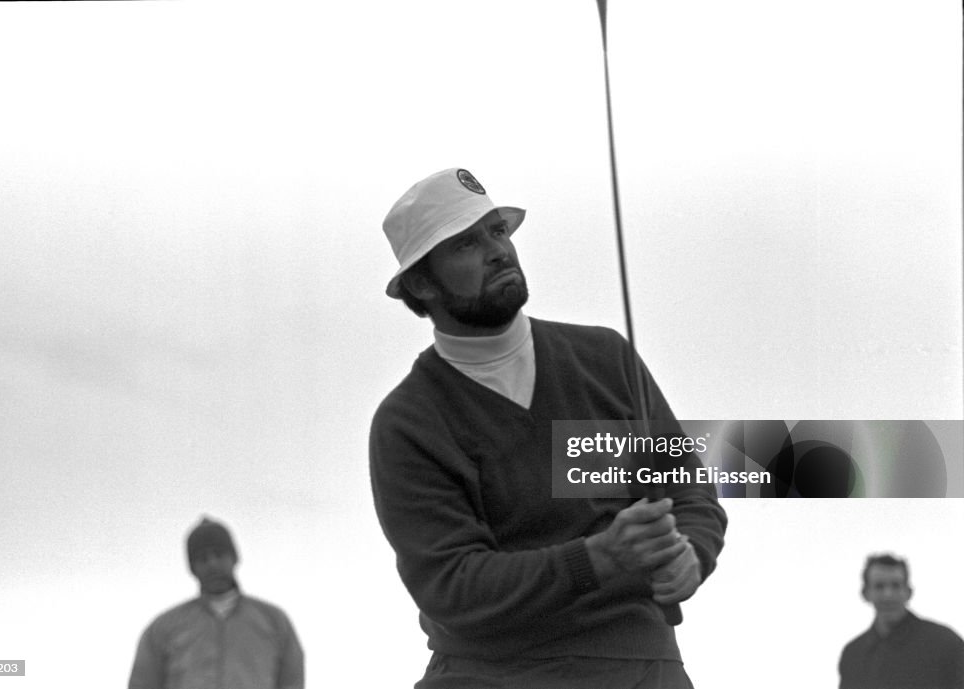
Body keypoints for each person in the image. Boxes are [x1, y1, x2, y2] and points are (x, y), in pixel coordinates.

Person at [369, 167, 727, 688]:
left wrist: (692, 554)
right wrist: (598, 558)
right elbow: (454, 585)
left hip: (636, 663)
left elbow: (687, 490)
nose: (498, 250)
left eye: (497, 231)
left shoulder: (604, 359)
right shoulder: (409, 422)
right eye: (466, 243)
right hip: (488, 674)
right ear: (421, 282)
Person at [128, 517, 304, 689]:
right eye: (202, 559)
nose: (212, 564)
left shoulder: (274, 621)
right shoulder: (163, 629)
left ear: (234, 558)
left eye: (219, 555)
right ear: (193, 568)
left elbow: (292, 681)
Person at [838, 553, 964, 689]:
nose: (888, 594)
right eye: (879, 586)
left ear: (908, 592)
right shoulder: (854, 655)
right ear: (866, 593)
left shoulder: (945, 643)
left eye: (896, 585)